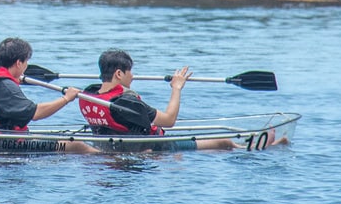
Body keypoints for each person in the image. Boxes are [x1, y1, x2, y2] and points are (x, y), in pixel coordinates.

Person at [78, 48, 237, 151]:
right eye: (130, 71)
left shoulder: (89, 96)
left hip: (112, 146)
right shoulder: (126, 102)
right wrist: (177, 88)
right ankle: (246, 147)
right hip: (156, 146)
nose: (132, 76)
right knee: (224, 141)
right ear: (119, 74)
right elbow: (169, 120)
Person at [0, 37, 90, 152]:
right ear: (18, 63)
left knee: (52, 138)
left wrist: (14, 79)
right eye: (26, 61)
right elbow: (36, 113)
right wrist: (66, 98)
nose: (26, 66)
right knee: (77, 146)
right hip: (6, 145)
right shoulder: (5, 85)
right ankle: (108, 159)